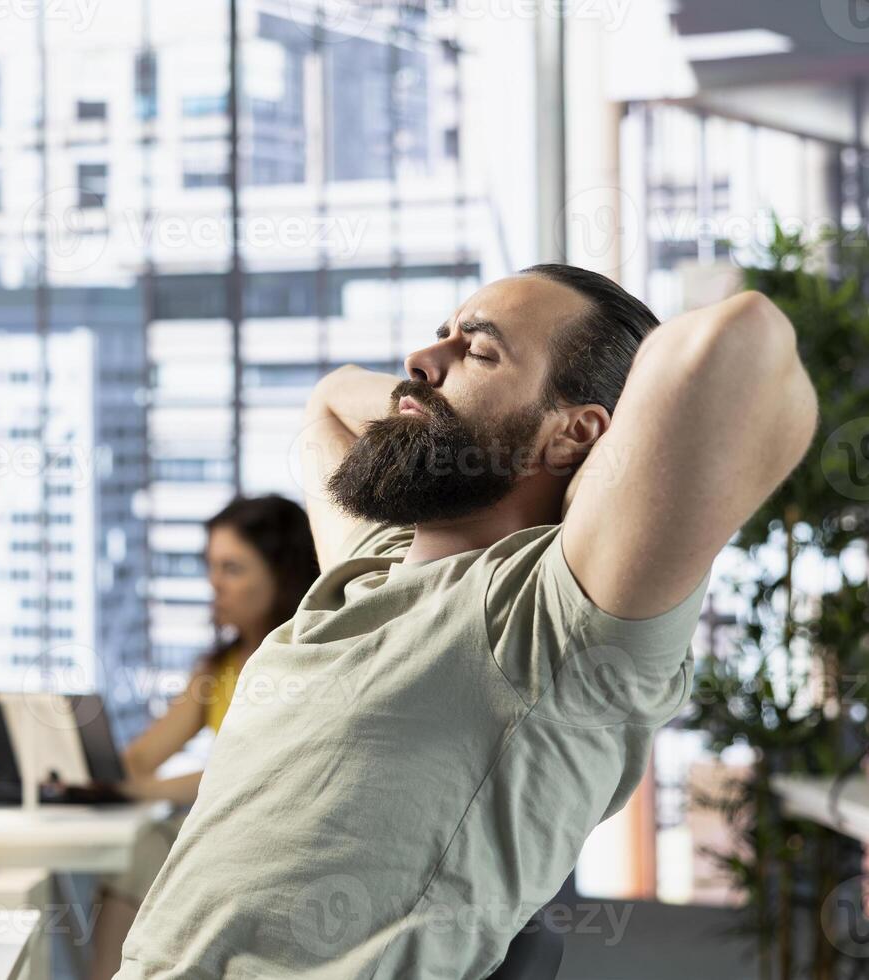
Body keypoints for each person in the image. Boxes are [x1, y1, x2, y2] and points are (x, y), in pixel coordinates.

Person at [112, 265, 818, 978]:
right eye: (439, 336)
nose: (424, 361)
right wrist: (427, 397)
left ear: (576, 433)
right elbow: (327, 403)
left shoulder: (551, 614)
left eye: (478, 352)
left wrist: (589, 472)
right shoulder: (368, 569)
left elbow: (742, 339)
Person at [88, 494, 318, 980]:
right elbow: (143, 758)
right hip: (219, 833)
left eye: (232, 568)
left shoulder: (305, 661)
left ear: (282, 574)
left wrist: (140, 790)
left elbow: (248, 771)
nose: (214, 584)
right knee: (140, 849)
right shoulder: (217, 667)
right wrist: (95, 769)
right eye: (211, 566)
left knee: (144, 848)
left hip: (271, 843)